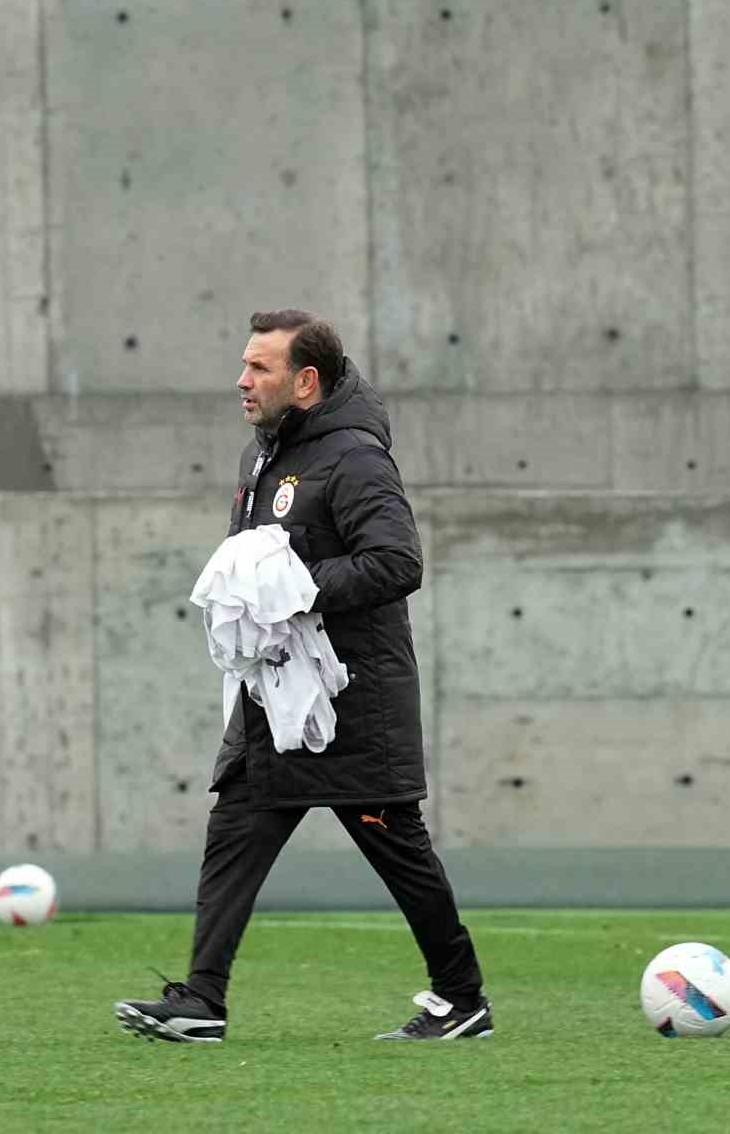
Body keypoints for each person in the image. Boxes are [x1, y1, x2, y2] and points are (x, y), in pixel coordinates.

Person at [115, 309, 492, 1044]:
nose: (242, 380)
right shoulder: (262, 455)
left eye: (259, 367)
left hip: (353, 701)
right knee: (233, 831)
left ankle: (462, 998)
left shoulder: (355, 458)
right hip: (278, 692)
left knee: (399, 849)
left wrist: (296, 587)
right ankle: (202, 1000)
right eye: (244, 364)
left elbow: (398, 563)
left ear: (306, 381)